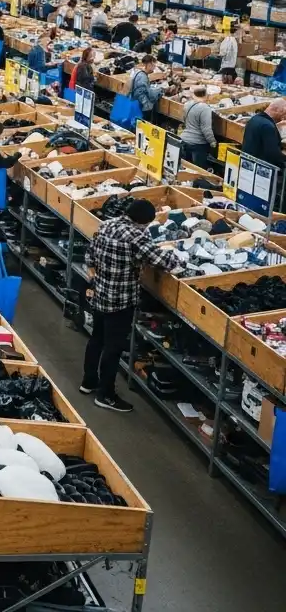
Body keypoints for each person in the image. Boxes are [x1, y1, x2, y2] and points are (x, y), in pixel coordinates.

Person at [83, 199, 181, 413]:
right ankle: (105, 394)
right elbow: (165, 262)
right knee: (113, 347)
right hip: (120, 300)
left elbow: (89, 256)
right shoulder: (135, 236)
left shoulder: (107, 225)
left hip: (100, 293)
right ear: (143, 222)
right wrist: (176, 253)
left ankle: (89, 381)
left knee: (97, 338)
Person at [242, 98, 286, 174]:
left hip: (247, 166)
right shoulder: (268, 126)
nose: (283, 117)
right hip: (261, 172)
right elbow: (273, 154)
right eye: (283, 113)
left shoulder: (254, 119)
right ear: (276, 110)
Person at [180, 85, 216, 168]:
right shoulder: (205, 108)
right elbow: (206, 129)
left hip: (184, 140)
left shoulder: (187, 104)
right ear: (205, 95)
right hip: (198, 144)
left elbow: (184, 120)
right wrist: (212, 142)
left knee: (185, 168)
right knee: (198, 170)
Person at [128, 55, 164, 122]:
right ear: (149, 64)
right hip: (142, 108)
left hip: (138, 105)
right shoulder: (142, 77)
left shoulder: (139, 73)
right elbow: (146, 94)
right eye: (154, 64)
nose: (154, 67)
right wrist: (161, 90)